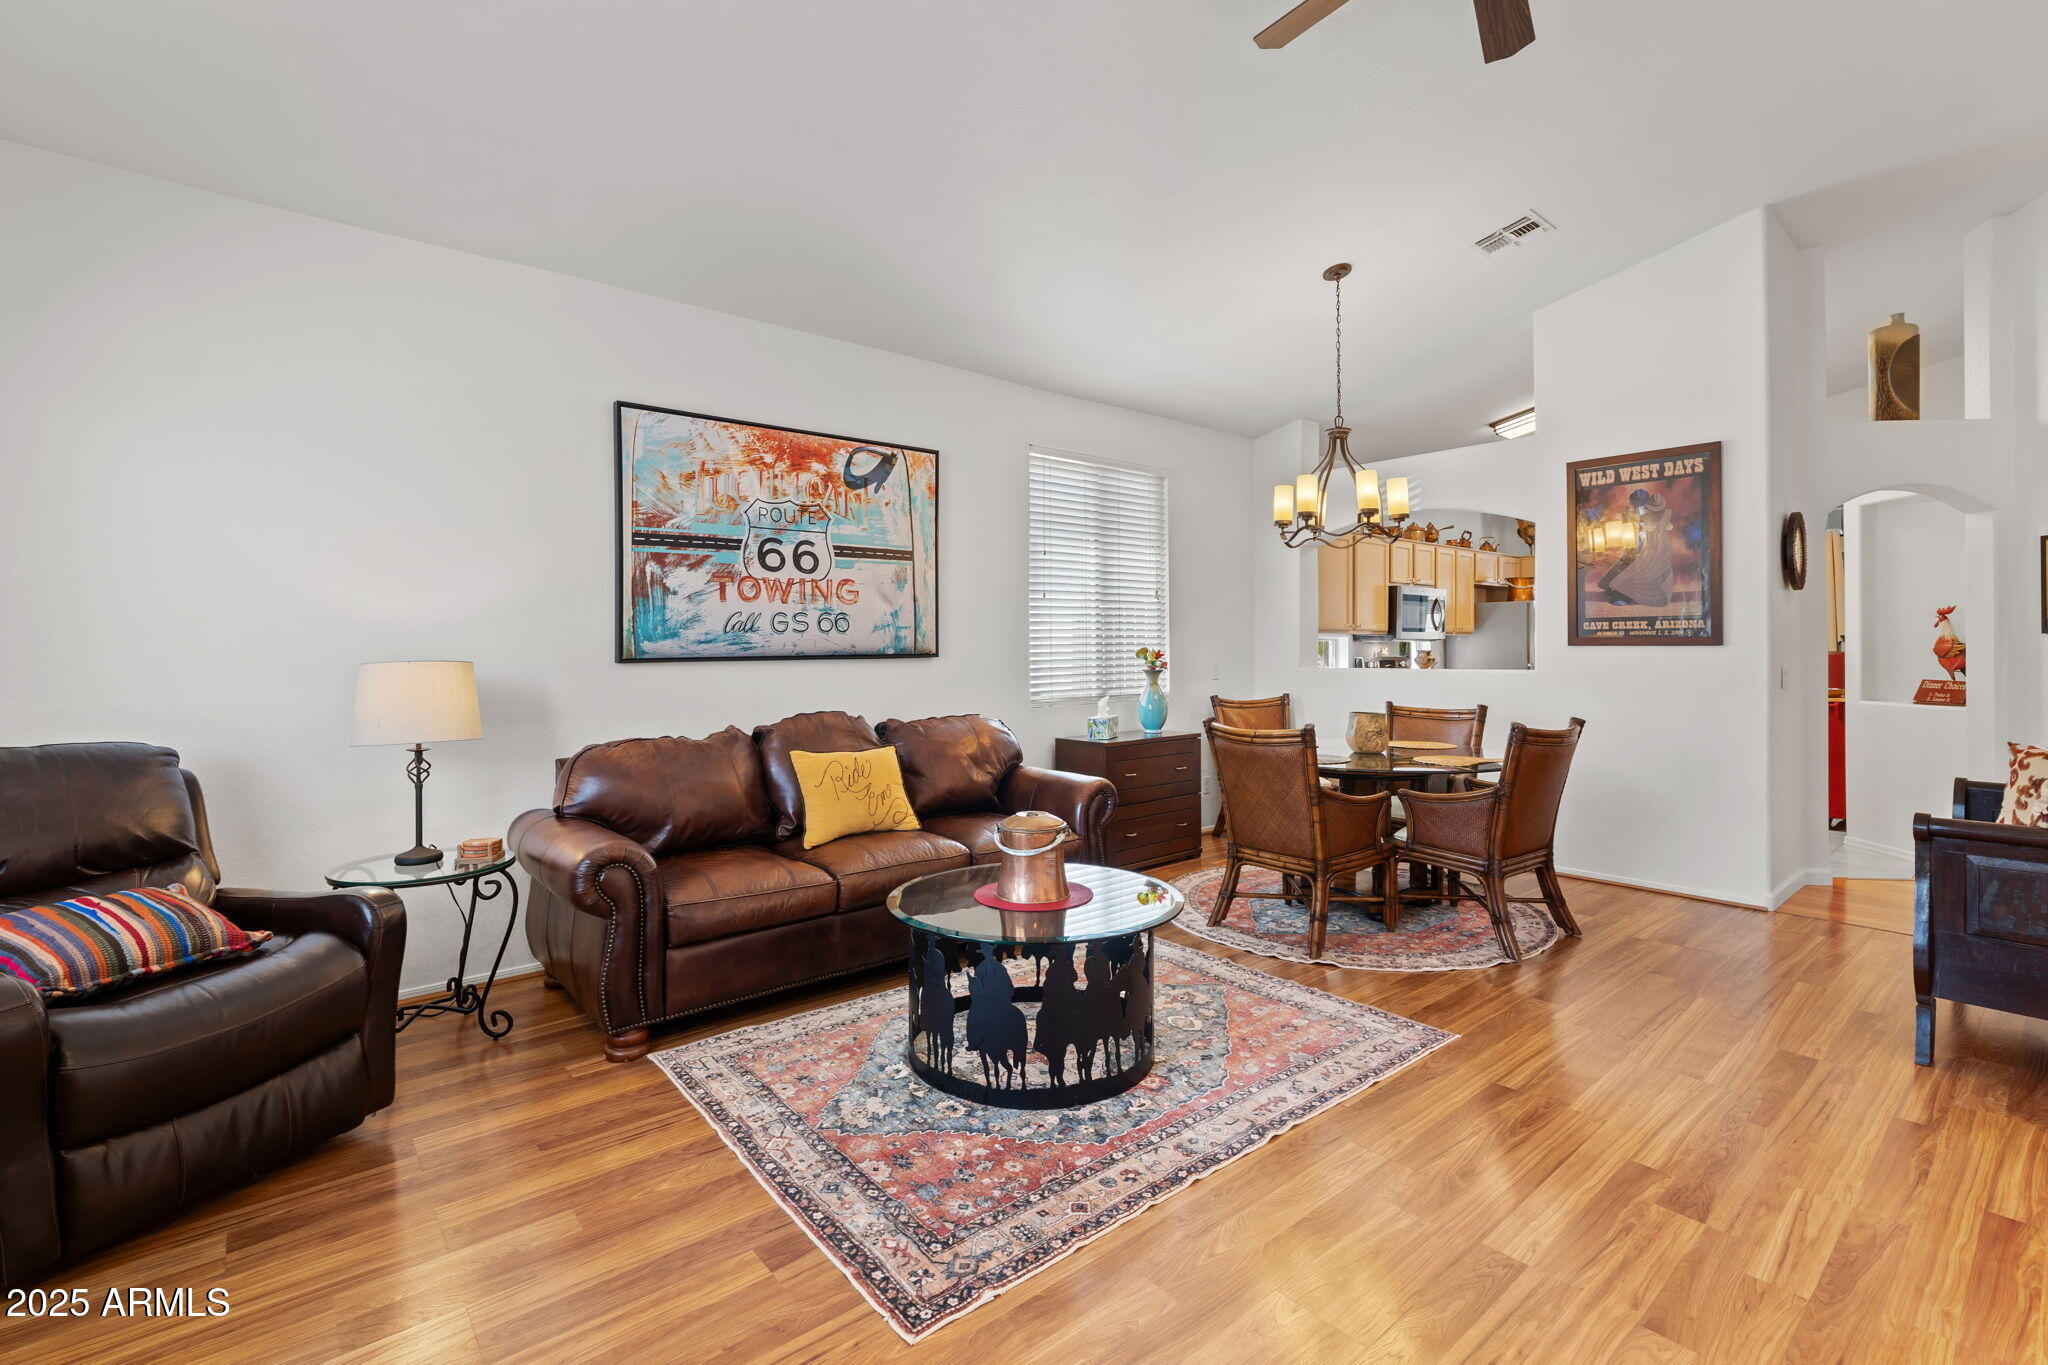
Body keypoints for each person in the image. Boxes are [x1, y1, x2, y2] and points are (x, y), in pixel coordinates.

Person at [1600, 488, 1674, 608]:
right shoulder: (1628, 512)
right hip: (1634, 544)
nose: (1637, 506)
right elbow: (1626, 528)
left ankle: (1626, 593)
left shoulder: (1655, 512)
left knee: (1638, 570)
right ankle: (1615, 592)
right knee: (1624, 566)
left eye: (1641, 504)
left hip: (1649, 547)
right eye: (1635, 503)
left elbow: (1662, 528)